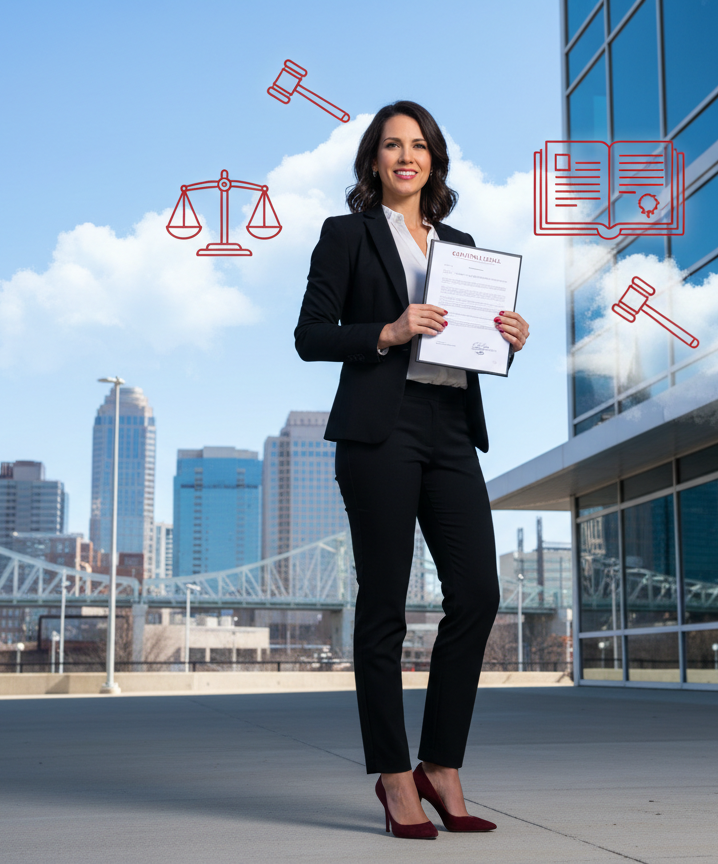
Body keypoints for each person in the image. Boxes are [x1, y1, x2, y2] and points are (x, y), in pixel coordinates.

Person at [294, 100, 530, 840]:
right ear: (373, 160)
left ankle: (442, 764)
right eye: (392, 145)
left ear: (435, 160)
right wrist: (390, 331)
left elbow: (474, 343)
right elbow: (310, 336)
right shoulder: (347, 235)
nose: (406, 156)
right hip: (380, 430)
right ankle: (396, 779)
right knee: (385, 610)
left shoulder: (462, 244)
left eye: (419, 145)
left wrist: (509, 340)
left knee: (478, 595)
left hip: (453, 426)